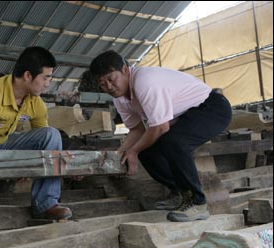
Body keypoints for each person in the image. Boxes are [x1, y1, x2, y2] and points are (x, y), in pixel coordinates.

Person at [89, 50, 232, 222]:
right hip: (184, 116)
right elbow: (137, 130)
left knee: (174, 141)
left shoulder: (145, 81)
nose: (109, 87)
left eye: (111, 79)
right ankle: (179, 193)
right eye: (102, 84)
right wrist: (119, 156)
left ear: (125, 70)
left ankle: (197, 202)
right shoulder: (120, 99)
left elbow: (161, 127)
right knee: (147, 150)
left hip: (212, 108)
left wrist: (132, 151)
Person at [0, 46, 72, 220]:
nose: (48, 83)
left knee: (51, 135)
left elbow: (44, 144)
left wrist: (31, 163)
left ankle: (46, 204)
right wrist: (15, 164)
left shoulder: (35, 101)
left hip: (2, 145)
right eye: (46, 78)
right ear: (28, 75)